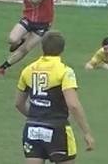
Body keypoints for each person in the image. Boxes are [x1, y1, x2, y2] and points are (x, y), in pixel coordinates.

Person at [15, 31, 94, 163]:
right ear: (62, 49)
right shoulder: (64, 71)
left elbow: (18, 103)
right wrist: (86, 132)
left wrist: (37, 116)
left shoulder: (28, 70)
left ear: (42, 47)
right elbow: (73, 105)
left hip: (32, 128)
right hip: (57, 129)